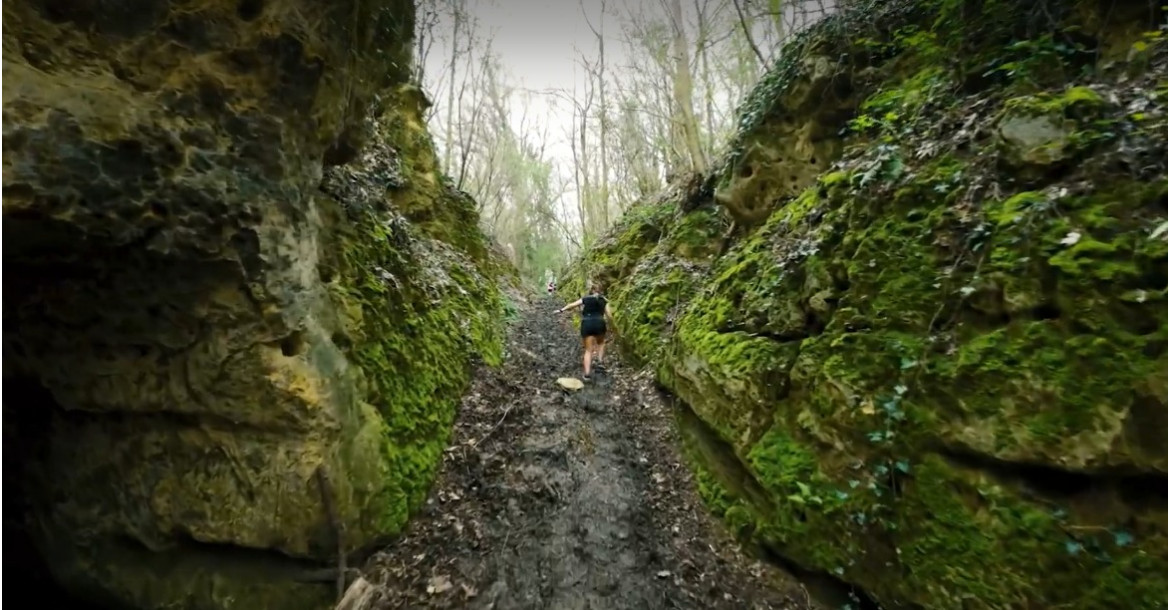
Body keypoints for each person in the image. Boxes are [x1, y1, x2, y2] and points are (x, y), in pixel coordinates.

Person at [555, 282, 614, 380]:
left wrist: (561, 310)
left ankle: (587, 374)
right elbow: (609, 315)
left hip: (587, 323)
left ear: (592, 290)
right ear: (601, 291)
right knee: (601, 343)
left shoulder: (586, 298)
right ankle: (600, 362)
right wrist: (613, 327)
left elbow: (572, 305)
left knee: (588, 350)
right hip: (599, 323)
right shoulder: (604, 300)